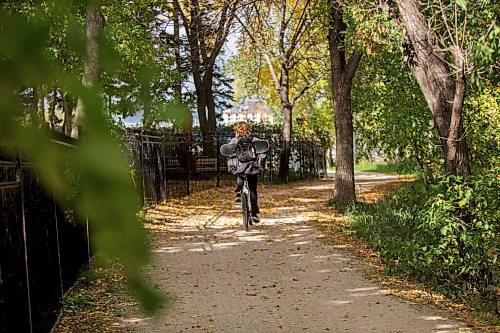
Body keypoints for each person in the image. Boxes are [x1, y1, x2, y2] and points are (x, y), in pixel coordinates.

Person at [227, 122, 266, 223]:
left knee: (240, 176)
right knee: (253, 190)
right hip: (252, 168)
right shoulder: (255, 140)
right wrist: (260, 163)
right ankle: (254, 213)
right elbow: (264, 150)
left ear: (237, 130)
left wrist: (232, 165)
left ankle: (239, 193)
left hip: (239, 168)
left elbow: (227, 153)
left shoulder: (234, 141)